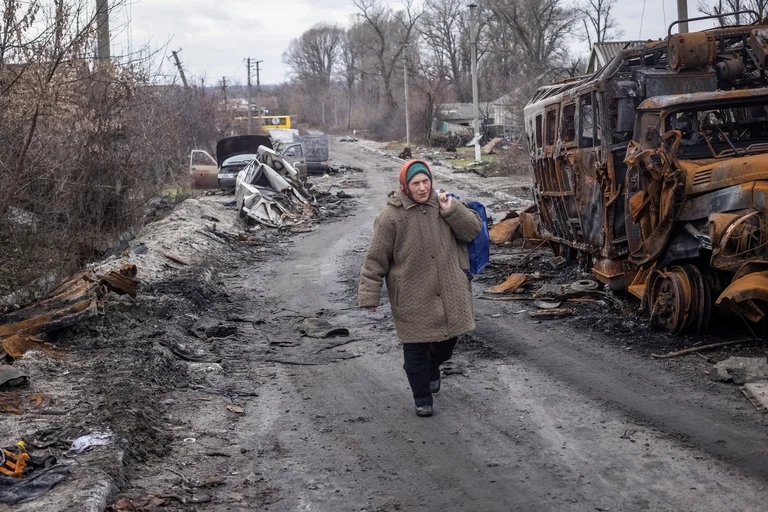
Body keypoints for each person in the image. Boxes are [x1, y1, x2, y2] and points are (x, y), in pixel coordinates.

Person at [358, 159, 482, 417]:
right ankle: (422, 397)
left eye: (426, 181)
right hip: (412, 292)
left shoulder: (444, 204)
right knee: (414, 347)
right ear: (405, 185)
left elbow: (472, 231)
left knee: (449, 341)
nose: (423, 188)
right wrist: (370, 294)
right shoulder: (391, 216)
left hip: (449, 287)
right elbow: (376, 257)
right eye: (416, 183)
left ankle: (432, 365)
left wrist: (452, 210)